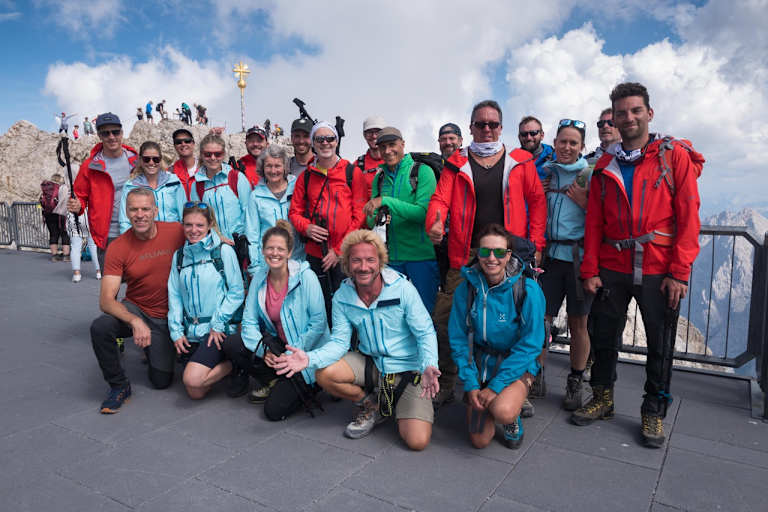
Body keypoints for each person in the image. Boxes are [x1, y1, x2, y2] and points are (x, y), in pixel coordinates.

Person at [573, 82, 703, 448]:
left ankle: (654, 410)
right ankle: (602, 397)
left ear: (649, 113)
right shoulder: (604, 165)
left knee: (660, 343)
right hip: (612, 264)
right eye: (621, 112)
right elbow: (594, 221)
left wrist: (680, 272)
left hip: (659, 268)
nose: (628, 117)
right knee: (603, 334)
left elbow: (689, 216)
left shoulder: (672, 156)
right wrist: (590, 270)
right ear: (613, 117)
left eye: (634, 110)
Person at [426, 100, 546, 409]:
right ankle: (448, 382)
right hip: (465, 255)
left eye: (493, 124)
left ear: (501, 128)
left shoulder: (520, 161)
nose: (487, 129)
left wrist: (536, 246)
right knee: (449, 319)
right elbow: (440, 199)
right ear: (471, 128)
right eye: (481, 124)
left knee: (515, 322)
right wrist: (435, 222)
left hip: (510, 255)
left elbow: (537, 203)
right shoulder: (456, 163)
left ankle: (514, 386)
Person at [273, 230, 440, 450]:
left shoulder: (402, 289)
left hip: (409, 368)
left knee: (417, 442)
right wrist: (309, 358)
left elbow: (425, 332)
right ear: (347, 264)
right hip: (373, 363)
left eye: (370, 260)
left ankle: (397, 400)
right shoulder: (343, 295)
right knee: (324, 373)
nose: (363, 267)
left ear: (380, 262)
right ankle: (371, 404)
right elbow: (339, 343)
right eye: (356, 260)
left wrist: (429, 363)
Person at [449, 224, 545, 449]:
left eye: (499, 252)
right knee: (479, 440)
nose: (492, 258)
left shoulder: (527, 290)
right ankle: (488, 400)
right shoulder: (467, 289)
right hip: (482, 363)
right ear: (478, 253)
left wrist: (496, 386)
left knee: (503, 411)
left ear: (509, 255)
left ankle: (511, 416)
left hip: (516, 363)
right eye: (485, 251)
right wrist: (471, 383)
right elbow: (459, 339)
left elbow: (531, 344)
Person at [90, 187, 185, 413]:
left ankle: (157, 347)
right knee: (101, 326)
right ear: (126, 211)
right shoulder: (118, 247)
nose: (139, 214)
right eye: (134, 209)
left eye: (145, 209)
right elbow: (106, 300)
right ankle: (118, 386)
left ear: (156, 210)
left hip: (170, 315)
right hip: (138, 308)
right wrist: (134, 321)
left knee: (161, 382)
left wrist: (220, 236)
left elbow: (205, 230)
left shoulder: (177, 231)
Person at [223, 221, 329, 418]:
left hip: (305, 351)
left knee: (273, 411)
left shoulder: (307, 277)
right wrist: (265, 351)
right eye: (270, 248)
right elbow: (249, 322)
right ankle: (273, 378)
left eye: (280, 249)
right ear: (263, 251)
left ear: (289, 253)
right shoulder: (259, 278)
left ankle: (312, 384)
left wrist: (291, 356)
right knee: (232, 343)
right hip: (279, 347)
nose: (275, 253)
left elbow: (318, 324)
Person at [539, 119, 593, 411]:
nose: (568, 147)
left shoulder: (589, 175)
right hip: (549, 257)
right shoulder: (548, 173)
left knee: (578, 322)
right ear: (555, 142)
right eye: (563, 141)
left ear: (582, 147)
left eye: (574, 143)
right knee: (541, 320)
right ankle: (536, 375)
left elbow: (600, 218)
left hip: (577, 259)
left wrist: (587, 204)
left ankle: (576, 379)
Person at [288, 121, 366, 318]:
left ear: (336, 141)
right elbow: (294, 213)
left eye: (329, 138)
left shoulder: (351, 172)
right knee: (320, 304)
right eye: (319, 139)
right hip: (316, 253)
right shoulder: (305, 177)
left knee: (348, 303)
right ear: (313, 143)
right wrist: (307, 228)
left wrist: (339, 250)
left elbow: (360, 214)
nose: (325, 143)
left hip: (346, 253)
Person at [168, 203, 245, 399]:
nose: (194, 230)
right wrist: (176, 331)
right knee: (196, 392)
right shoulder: (179, 257)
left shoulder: (223, 252)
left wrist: (218, 323)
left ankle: (241, 364)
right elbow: (175, 295)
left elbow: (236, 291)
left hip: (217, 331)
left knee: (193, 381)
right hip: (191, 333)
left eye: (200, 225)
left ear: (210, 224)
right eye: (188, 225)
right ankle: (226, 365)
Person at [363, 126, 438, 313]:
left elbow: (422, 213)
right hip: (391, 259)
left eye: (392, 145)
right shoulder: (379, 178)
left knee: (425, 314)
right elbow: (371, 221)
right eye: (382, 147)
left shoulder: (422, 172)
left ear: (403, 144)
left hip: (421, 257)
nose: (387, 151)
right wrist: (373, 215)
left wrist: (386, 201)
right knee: (394, 315)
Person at [67, 112, 138, 269]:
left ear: (122, 132)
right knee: (110, 289)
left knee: (140, 288)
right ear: (99, 135)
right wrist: (77, 206)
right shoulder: (90, 165)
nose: (111, 137)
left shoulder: (136, 159)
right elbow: (80, 196)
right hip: (108, 236)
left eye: (115, 132)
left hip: (138, 231)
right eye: (106, 133)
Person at [245, 145, 305, 275]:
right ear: (262, 168)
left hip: (297, 259)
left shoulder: (297, 188)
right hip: (269, 262)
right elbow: (252, 235)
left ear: (285, 167)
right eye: (269, 166)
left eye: (277, 166)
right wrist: (255, 267)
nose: (273, 170)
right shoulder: (256, 196)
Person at [190, 133, 250, 248]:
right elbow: (198, 219)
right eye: (208, 154)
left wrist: (243, 239)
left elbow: (249, 213)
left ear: (223, 155)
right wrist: (217, 237)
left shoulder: (236, 177)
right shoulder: (197, 185)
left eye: (217, 154)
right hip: (214, 246)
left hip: (241, 243)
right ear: (201, 155)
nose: (213, 158)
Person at [118, 141, 185, 233]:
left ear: (160, 160)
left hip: (173, 238)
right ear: (140, 160)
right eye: (146, 159)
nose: (151, 163)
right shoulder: (130, 186)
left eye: (155, 159)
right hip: (142, 240)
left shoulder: (174, 182)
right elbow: (125, 221)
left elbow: (184, 215)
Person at [354, 116, 386, 198]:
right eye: (369, 132)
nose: (374, 136)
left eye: (378, 132)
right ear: (364, 135)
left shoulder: (396, 161)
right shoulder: (357, 165)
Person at [40, 173, 70, 261]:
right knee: (64, 234)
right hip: (60, 214)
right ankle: (66, 256)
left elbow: (41, 202)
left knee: (53, 234)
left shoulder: (45, 189)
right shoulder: (60, 188)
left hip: (48, 214)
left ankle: (54, 256)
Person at [67, 209, 101, 282]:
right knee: (93, 245)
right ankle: (98, 271)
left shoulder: (71, 197)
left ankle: (76, 274)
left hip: (73, 216)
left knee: (75, 247)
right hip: (89, 216)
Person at [518, 116, 555, 181]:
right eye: (524, 134)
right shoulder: (510, 161)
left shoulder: (556, 157)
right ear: (519, 137)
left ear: (542, 135)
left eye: (533, 133)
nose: (528, 138)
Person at [169, 128, 198, 200]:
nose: (183, 144)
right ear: (175, 146)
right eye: (178, 142)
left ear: (193, 143)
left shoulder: (205, 168)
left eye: (187, 141)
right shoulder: (170, 173)